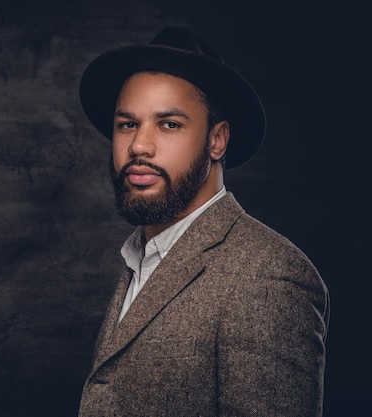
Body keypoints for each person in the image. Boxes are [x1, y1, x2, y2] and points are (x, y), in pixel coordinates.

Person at [77, 26, 329, 416]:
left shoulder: (269, 276)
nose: (139, 145)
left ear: (217, 141)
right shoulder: (142, 256)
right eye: (128, 124)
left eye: (169, 124)